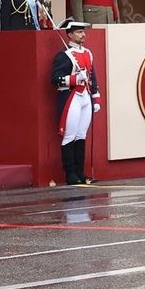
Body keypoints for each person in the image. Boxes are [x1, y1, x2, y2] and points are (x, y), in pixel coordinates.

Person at [51, 18, 100, 186]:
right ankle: (70, 173)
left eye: (83, 31)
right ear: (70, 35)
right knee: (70, 135)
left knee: (81, 135)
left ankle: (80, 171)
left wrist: (96, 97)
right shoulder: (64, 55)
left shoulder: (88, 53)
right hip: (71, 97)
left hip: (85, 97)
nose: (83, 34)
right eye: (79, 32)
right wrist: (74, 78)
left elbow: (93, 76)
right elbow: (55, 79)